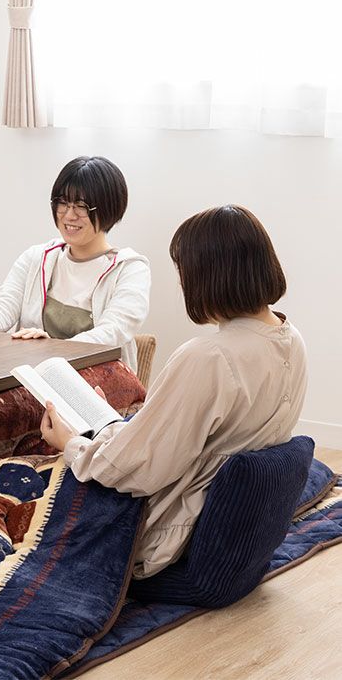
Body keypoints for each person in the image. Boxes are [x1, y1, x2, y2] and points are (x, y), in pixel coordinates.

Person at [41, 205, 307, 578]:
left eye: (184, 271)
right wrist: (111, 428)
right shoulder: (291, 338)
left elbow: (136, 471)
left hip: (175, 536)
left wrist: (70, 444)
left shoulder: (209, 356)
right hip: (235, 532)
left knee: (37, 484)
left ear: (209, 274)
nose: (182, 283)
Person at [0, 156, 150, 372]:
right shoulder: (37, 258)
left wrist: (53, 350)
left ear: (109, 209)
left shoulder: (130, 269)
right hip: (37, 378)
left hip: (98, 381)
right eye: (63, 203)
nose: (69, 215)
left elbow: (111, 333)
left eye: (81, 206)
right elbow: (4, 307)